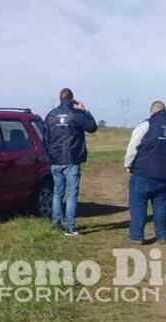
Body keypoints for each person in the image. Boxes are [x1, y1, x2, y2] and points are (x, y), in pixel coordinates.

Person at [123, 101, 166, 244]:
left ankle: (137, 235)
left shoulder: (145, 125)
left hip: (143, 173)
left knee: (138, 205)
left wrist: (128, 164)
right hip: (164, 176)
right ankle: (162, 234)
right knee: (160, 205)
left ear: (151, 112)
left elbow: (133, 147)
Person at [44, 88, 98, 236]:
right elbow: (92, 127)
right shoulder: (77, 114)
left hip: (56, 160)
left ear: (60, 99)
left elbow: (45, 138)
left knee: (57, 193)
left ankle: (56, 222)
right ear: (72, 99)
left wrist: (50, 155)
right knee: (72, 194)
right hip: (72, 159)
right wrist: (85, 110)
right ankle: (70, 226)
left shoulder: (50, 115)